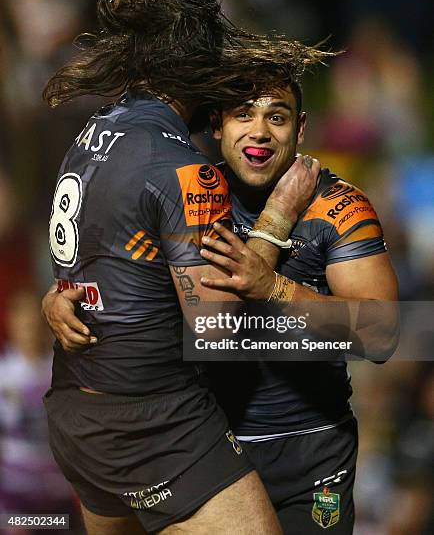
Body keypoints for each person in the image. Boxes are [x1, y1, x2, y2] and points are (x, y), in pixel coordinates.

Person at [41, 0, 328, 535]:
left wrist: (56, 298)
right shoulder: (184, 170)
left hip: (76, 410)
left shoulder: (93, 134)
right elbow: (215, 327)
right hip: (153, 422)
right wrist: (275, 223)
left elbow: (108, 256)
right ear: (191, 67)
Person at [48, 80, 399, 534]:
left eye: (277, 117)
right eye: (243, 115)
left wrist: (273, 287)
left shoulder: (338, 207)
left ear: (301, 128)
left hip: (309, 454)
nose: (259, 131)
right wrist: (59, 301)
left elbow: (385, 334)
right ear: (216, 123)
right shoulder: (186, 191)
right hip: (205, 447)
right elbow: (125, 285)